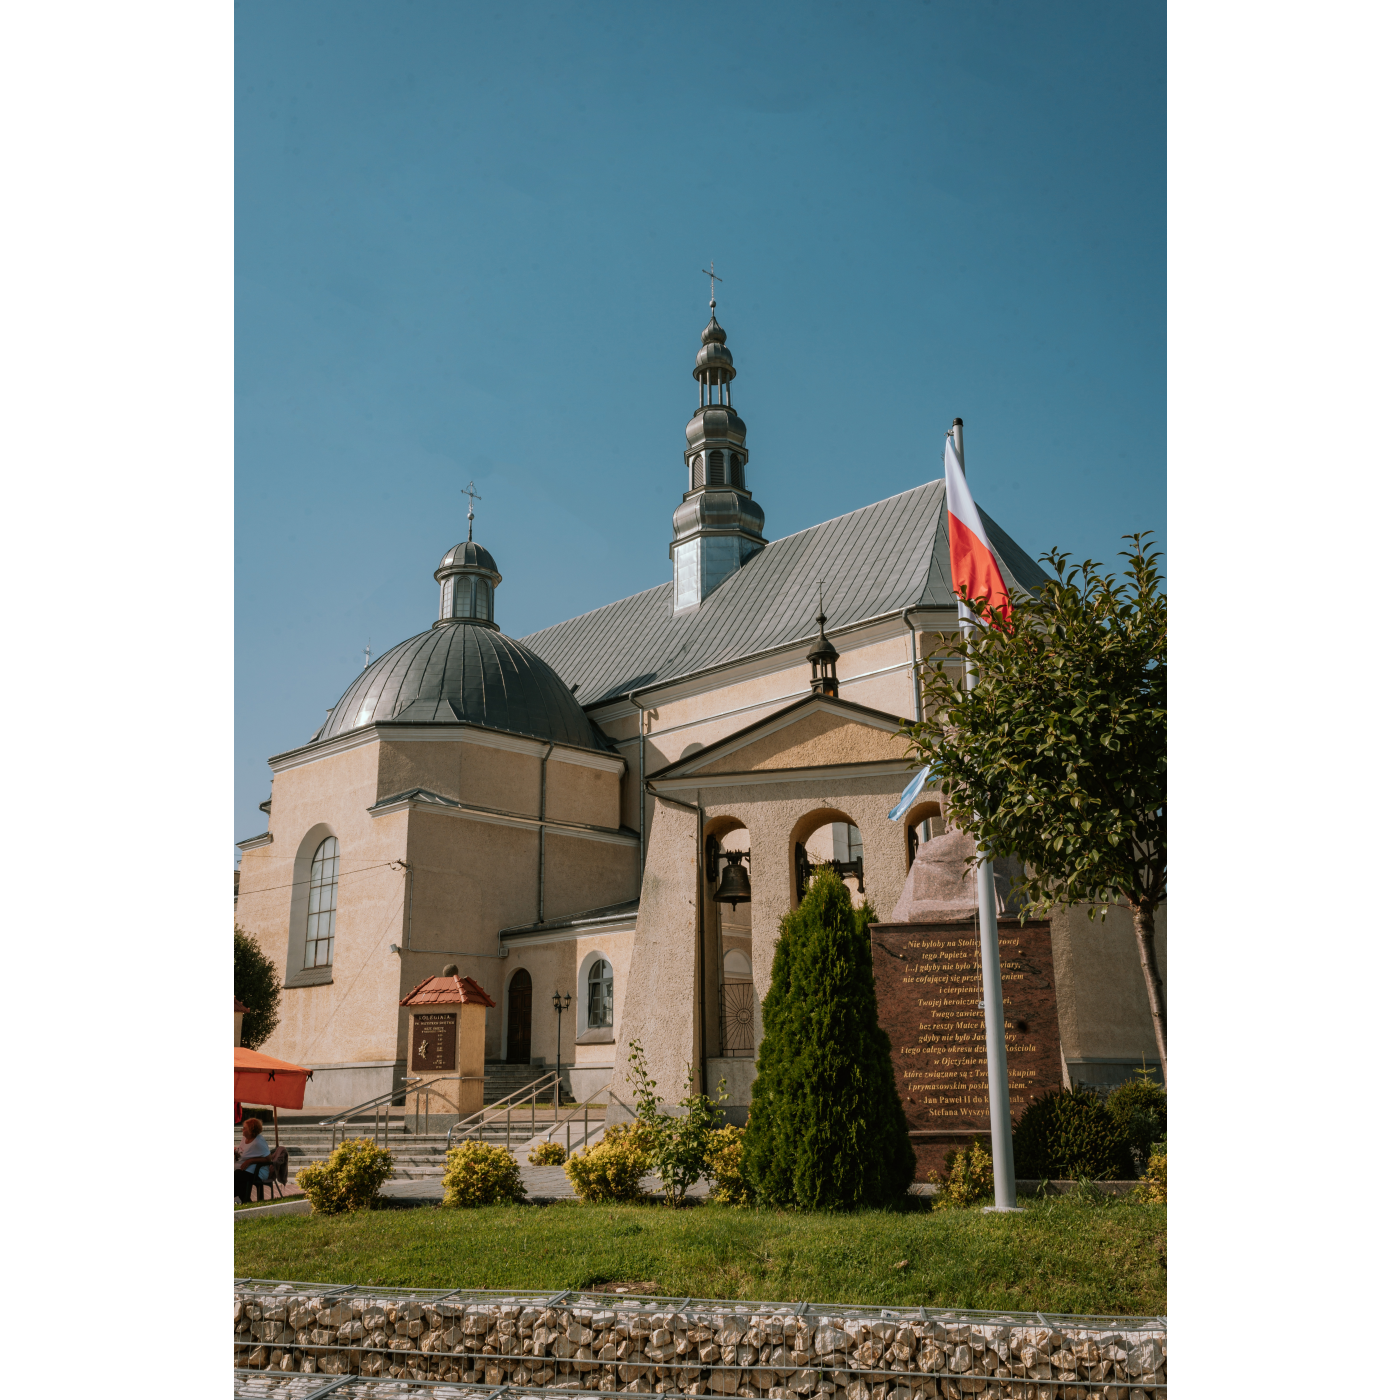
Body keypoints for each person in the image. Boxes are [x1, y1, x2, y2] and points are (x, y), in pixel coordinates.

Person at [235, 1116, 273, 1203]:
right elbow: (242, 1151)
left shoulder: (258, 1142)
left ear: (251, 1131)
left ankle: (243, 1199)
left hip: (258, 1171)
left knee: (237, 1175)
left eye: (244, 1128)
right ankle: (245, 1199)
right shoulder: (245, 1138)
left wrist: (250, 1161)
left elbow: (268, 1159)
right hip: (244, 1167)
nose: (242, 1130)